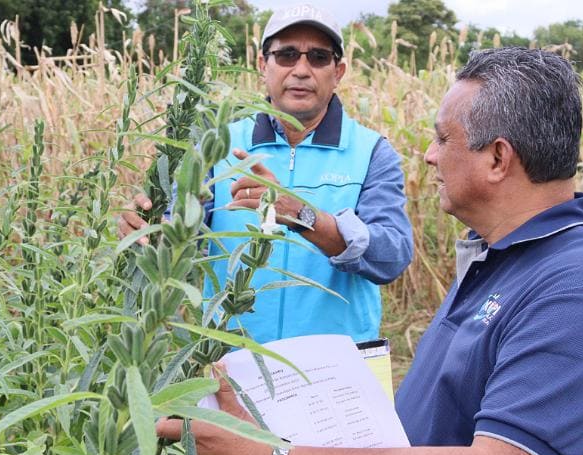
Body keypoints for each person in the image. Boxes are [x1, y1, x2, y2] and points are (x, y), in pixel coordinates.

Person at [157, 47, 583, 455]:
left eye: (443, 139)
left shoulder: (579, 288)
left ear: (498, 158)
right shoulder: (498, 256)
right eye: (284, 54)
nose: (428, 156)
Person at [119, 3, 413, 344]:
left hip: (338, 369)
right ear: (263, 65)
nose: (301, 70)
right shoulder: (218, 145)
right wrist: (146, 229)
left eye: (318, 57)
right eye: (286, 55)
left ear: (339, 71)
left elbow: (391, 256)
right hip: (234, 362)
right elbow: (179, 238)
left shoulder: (372, 152)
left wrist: (301, 215)